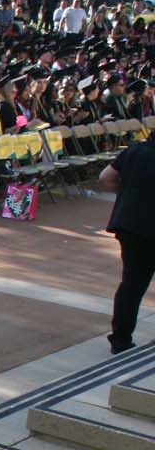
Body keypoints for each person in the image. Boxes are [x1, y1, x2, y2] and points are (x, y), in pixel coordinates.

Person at [99, 134, 155, 354]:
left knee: (131, 284)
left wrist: (124, 194)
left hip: (130, 225)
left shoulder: (134, 151)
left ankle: (120, 339)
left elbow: (106, 177)